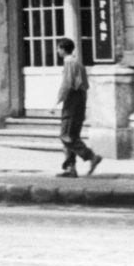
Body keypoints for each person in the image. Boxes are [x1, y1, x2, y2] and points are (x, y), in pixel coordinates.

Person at [56, 37, 102, 178]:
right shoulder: (76, 62)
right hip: (79, 101)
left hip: (72, 103)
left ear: (63, 49)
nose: (57, 51)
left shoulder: (69, 62)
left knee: (66, 135)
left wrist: (57, 101)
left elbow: (67, 84)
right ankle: (71, 169)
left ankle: (91, 156)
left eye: (58, 48)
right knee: (72, 136)